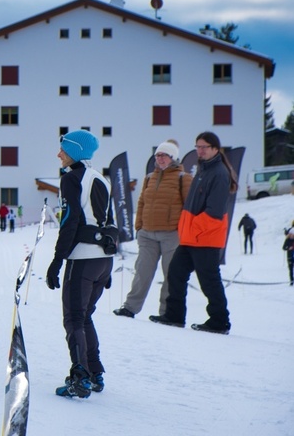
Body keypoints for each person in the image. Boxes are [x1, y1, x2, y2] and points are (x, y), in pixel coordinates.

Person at [46, 130, 113, 399]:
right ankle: (95, 372)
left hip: (82, 259)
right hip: (103, 260)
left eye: (63, 150)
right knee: (85, 317)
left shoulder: (71, 179)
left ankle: (80, 377)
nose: (59, 154)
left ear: (74, 151)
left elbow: (70, 221)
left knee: (73, 318)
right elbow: (110, 221)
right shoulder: (100, 178)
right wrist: (108, 257)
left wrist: (57, 260)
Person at [150, 132, 236, 335]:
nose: (200, 150)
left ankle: (219, 321)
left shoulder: (219, 173)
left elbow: (214, 212)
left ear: (215, 149)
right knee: (176, 273)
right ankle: (174, 316)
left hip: (206, 237)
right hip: (191, 238)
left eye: (204, 147)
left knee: (209, 280)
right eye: (198, 147)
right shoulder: (203, 169)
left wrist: (193, 229)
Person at [114, 139, 192, 320]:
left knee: (170, 275)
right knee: (142, 272)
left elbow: (189, 207)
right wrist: (139, 227)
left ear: (173, 157)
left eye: (164, 155)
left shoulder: (184, 178)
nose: (160, 158)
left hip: (171, 235)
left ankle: (167, 313)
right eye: (158, 155)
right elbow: (142, 202)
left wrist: (182, 232)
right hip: (147, 234)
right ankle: (130, 308)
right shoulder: (150, 177)